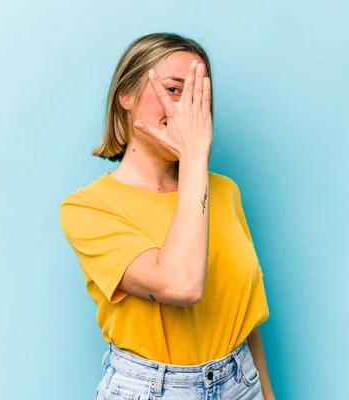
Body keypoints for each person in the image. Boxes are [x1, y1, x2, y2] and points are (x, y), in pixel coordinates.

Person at [60, 32, 274, 400]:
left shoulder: (225, 192)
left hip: (241, 382)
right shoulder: (88, 209)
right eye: (175, 90)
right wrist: (195, 158)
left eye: (197, 95)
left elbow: (243, 321)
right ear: (125, 95)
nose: (186, 109)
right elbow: (181, 285)